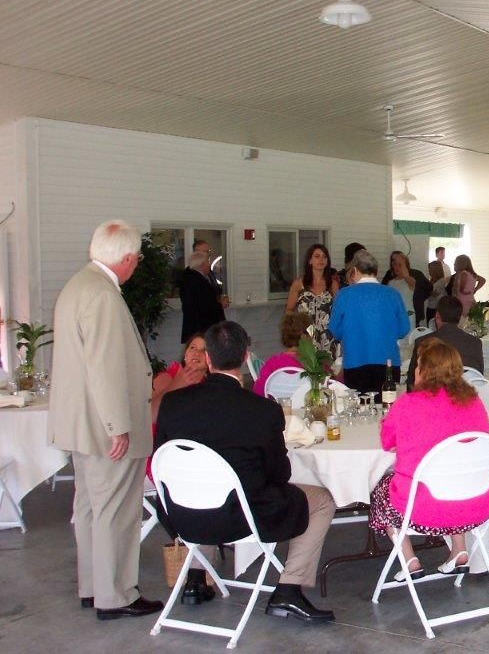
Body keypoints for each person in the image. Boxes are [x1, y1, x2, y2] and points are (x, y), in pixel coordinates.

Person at [155, 321, 335, 623]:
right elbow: (279, 474)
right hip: (242, 517)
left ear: (208, 359)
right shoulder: (262, 410)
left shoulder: (172, 404)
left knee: (203, 481)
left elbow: (164, 460)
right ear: (245, 357)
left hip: (180, 513)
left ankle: (197, 578)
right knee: (322, 500)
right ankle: (289, 589)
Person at [48, 219, 163, 619]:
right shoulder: (103, 296)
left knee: (91, 509)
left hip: (80, 424)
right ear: (128, 258)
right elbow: (106, 367)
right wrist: (119, 426)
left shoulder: (77, 286)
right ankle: (116, 595)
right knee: (115, 510)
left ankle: (93, 586)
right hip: (104, 426)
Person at [370, 337, 489, 579]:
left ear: (423, 371)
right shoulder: (474, 402)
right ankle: (459, 549)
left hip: (424, 508)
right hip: (477, 502)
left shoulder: (408, 404)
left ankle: (410, 560)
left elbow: (388, 443)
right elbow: (481, 442)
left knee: (381, 489)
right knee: (455, 474)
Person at [328, 250, 410, 393]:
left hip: (355, 361)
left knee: (359, 410)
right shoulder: (392, 294)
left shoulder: (344, 294)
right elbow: (403, 329)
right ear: (376, 271)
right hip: (388, 362)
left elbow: (334, 329)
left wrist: (350, 332)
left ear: (354, 270)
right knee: (386, 409)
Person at [148, 333, 208, 478]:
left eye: (204, 350)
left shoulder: (210, 386)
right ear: (185, 354)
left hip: (197, 451)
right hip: (162, 454)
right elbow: (149, 416)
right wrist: (178, 383)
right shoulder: (167, 377)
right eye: (193, 347)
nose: (197, 352)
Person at [406, 297, 484, 390]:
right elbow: (480, 377)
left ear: (437, 316)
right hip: (466, 398)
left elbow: (411, 382)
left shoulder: (423, 342)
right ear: (459, 318)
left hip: (433, 400)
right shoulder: (475, 342)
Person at [285, 244, 339, 355]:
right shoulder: (299, 284)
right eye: (317, 256)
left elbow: (339, 311)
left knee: (328, 370)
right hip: (306, 336)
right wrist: (298, 330)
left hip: (328, 337)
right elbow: (289, 311)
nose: (321, 259)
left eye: (324, 257)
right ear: (310, 260)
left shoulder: (332, 284)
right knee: (307, 368)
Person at [252, 312, 311, 397]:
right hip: (306, 408)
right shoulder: (313, 363)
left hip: (279, 407)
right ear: (306, 337)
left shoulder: (272, 363)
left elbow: (259, 390)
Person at [179, 249, 226, 343]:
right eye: (208, 262)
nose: (209, 265)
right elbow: (206, 307)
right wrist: (219, 304)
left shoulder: (191, 279)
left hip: (198, 329)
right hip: (202, 329)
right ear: (202, 265)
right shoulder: (197, 282)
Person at [382, 251, 432, 327]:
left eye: (400, 264)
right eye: (395, 264)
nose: (397, 267)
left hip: (409, 315)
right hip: (394, 316)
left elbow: (427, 288)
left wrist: (419, 300)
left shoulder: (412, 278)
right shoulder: (390, 281)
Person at [452, 254, 487, 320]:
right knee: (471, 318)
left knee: (463, 319)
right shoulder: (472, 274)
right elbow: (483, 280)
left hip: (462, 300)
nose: (454, 263)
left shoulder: (463, 273)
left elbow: (461, 289)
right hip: (470, 298)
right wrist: (475, 289)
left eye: (456, 262)